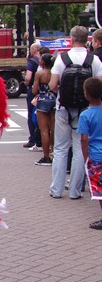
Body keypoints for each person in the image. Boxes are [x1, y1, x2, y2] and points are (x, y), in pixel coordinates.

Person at [48, 26, 102, 199]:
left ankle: (56, 189)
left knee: (60, 148)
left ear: (71, 39)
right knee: (79, 149)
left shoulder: (62, 59)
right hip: (85, 109)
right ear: (87, 39)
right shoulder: (93, 60)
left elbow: (52, 85)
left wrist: (62, 92)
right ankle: (75, 191)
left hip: (63, 107)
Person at [78, 77, 102, 230]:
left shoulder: (85, 115)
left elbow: (84, 139)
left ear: (86, 94)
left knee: (99, 189)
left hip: (96, 156)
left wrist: (85, 157)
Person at [31, 53, 55, 166]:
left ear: (43, 62)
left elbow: (34, 91)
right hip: (54, 99)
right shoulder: (54, 72)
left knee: (44, 130)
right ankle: (53, 152)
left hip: (42, 100)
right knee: (53, 129)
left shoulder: (39, 74)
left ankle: (46, 156)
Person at [23, 42, 42, 150]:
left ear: (33, 50)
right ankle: (41, 138)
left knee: (31, 114)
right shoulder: (43, 61)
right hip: (43, 91)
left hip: (33, 91)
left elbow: (28, 77)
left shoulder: (32, 62)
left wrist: (26, 83)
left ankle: (33, 139)